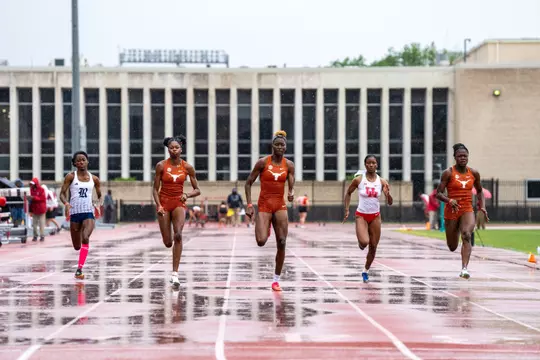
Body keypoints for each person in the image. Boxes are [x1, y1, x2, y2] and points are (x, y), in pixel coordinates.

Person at [245, 130, 295, 292]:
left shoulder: (289, 165)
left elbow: (291, 180)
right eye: (277, 145)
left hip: (279, 204)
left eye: (282, 145)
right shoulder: (262, 163)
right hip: (265, 204)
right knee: (261, 241)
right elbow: (248, 183)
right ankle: (264, 225)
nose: (280, 147)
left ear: (286, 148)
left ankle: (276, 280)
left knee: (282, 242)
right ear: (272, 146)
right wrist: (249, 204)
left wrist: (291, 191)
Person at [153, 135, 201, 287]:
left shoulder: (187, 167)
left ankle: (175, 274)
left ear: (181, 149)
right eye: (171, 148)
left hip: (179, 203)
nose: (174, 150)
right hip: (164, 203)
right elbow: (155, 189)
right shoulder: (161, 165)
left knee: (178, 235)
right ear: (168, 149)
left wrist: (187, 194)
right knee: (168, 242)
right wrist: (159, 205)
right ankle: (170, 245)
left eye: (176, 148)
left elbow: (197, 190)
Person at [436, 143, 489, 279]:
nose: (462, 158)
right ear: (455, 157)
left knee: (466, 235)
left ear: (468, 157)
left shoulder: (474, 173)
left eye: (465, 156)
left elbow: (480, 191)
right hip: (451, 210)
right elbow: (438, 193)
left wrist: (482, 206)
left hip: (467, 209)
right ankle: (456, 229)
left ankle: (464, 268)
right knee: (452, 246)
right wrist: (449, 200)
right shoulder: (448, 173)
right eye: (459, 156)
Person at [342, 155, 393, 283]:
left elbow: (390, 202)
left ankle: (365, 270)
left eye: (373, 163)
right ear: (365, 165)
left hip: (375, 216)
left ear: (377, 165)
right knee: (365, 242)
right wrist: (347, 209)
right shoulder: (359, 180)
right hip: (361, 215)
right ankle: (361, 241)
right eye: (369, 163)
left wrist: (388, 194)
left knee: (374, 246)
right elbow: (348, 193)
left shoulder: (382, 182)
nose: (371, 165)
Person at [59, 151, 102, 280]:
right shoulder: (71, 177)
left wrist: (97, 204)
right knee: (77, 246)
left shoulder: (94, 179)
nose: (81, 162)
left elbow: (99, 195)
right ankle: (80, 261)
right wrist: (66, 203)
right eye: (78, 160)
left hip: (88, 212)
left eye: (83, 160)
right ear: (74, 164)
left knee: (85, 237)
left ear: (87, 161)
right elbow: (62, 193)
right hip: (75, 213)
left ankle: (79, 269)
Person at [28, 178, 47, 242]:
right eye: (31, 184)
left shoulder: (41, 190)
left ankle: (42, 236)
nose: (32, 185)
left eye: (33, 184)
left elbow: (42, 198)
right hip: (34, 209)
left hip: (41, 209)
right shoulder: (31, 190)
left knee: (41, 224)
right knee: (34, 224)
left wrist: (34, 198)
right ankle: (35, 236)